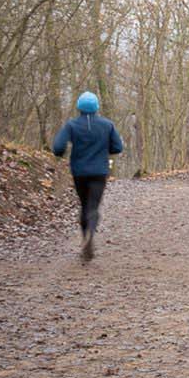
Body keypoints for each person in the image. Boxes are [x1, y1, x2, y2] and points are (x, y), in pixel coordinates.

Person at [52, 91, 123, 259]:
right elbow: (118, 147)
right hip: (100, 171)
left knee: (84, 205)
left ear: (79, 108)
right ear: (97, 107)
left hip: (79, 172)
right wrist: (104, 149)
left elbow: (58, 147)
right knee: (93, 206)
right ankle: (91, 233)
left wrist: (63, 152)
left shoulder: (71, 125)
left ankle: (85, 237)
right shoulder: (107, 125)